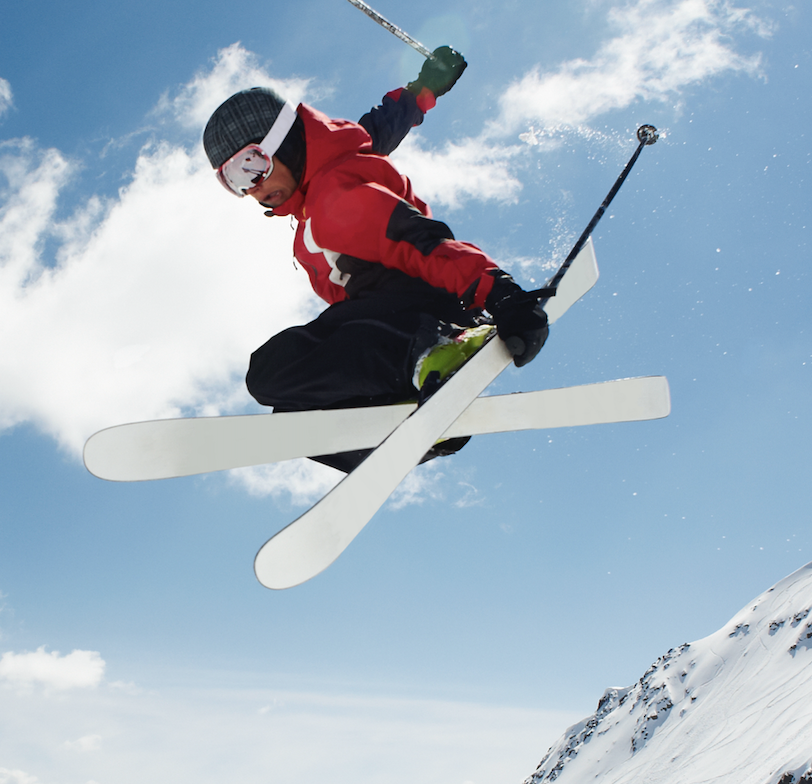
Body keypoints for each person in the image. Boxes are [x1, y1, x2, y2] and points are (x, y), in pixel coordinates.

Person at [203, 48, 552, 471]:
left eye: (251, 165)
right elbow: (370, 133)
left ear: (286, 141)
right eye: (233, 181)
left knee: (270, 370)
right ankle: (421, 426)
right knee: (295, 421)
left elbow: (420, 242)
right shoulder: (324, 183)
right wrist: (423, 90)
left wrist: (501, 293)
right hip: (386, 322)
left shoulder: (336, 199)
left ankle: (436, 354)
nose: (252, 188)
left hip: (415, 313)